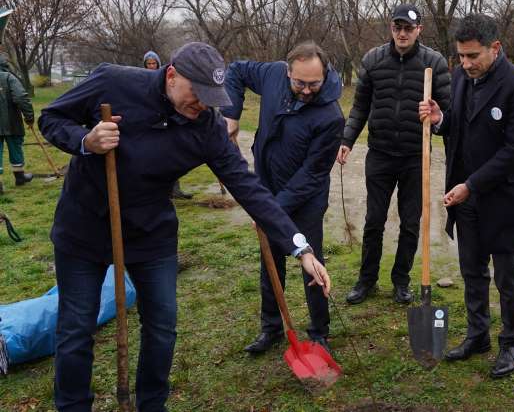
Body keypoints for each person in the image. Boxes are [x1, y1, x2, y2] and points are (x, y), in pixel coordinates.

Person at [39, 42, 331, 411]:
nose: (202, 106)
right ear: (172, 75)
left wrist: (300, 248)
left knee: (162, 328)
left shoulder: (206, 126)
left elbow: (249, 188)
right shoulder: (112, 83)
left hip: (151, 231)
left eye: (211, 99)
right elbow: (50, 118)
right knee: (76, 330)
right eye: (197, 94)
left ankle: (151, 404)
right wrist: (85, 140)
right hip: (87, 223)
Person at [419, 13, 514, 379]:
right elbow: (458, 125)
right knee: (471, 270)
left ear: (495, 48)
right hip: (464, 195)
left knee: (506, 275)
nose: (466, 64)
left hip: (502, 197)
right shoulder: (460, 78)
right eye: (461, 57)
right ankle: (478, 335)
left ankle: (511, 343)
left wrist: (472, 184)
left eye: (473, 56)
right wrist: (440, 119)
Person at [222, 42, 343, 353]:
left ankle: (319, 332)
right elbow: (234, 70)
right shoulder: (273, 75)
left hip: (306, 199)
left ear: (324, 73)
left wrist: (271, 212)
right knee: (270, 260)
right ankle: (271, 327)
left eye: (313, 84)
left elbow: (311, 175)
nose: (305, 90)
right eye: (299, 82)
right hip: (267, 185)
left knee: (310, 262)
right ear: (287, 71)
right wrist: (231, 114)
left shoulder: (331, 117)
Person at [339, 4, 451, 305]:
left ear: (419, 30)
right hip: (381, 154)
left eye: (408, 28)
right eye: (397, 27)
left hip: (416, 157)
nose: (402, 33)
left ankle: (401, 280)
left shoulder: (434, 62)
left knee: (410, 222)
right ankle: (366, 280)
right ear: (391, 28)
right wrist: (347, 139)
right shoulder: (373, 60)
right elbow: (360, 106)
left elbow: (449, 111)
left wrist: (437, 116)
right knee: (374, 219)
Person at [143, 50, 192, 200]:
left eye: (153, 63)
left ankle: (175, 189)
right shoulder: (142, 79)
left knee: (171, 155)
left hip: (166, 121)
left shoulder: (166, 79)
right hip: (150, 123)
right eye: (149, 64)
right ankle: (158, 191)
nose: (151, 66)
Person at [0, 55, 35, 194]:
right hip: (12, 122)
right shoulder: (9, 77)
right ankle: (19, 177)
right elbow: (21, 97)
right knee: (15, 148)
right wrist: (29, 117)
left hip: (10, 122)